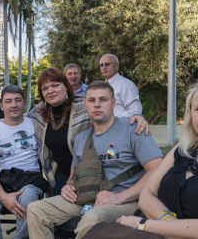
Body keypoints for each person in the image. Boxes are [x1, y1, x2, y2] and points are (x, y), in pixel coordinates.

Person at [27, 81, 163, 239]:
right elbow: (73, 177)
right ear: (85, 104)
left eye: (103, 100)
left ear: (113, 103)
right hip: (86, 198)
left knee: (92, 219)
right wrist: (68, 187)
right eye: (91, 100)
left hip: (125, 201)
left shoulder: (133, 130)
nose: (97, 105)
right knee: (36, 209)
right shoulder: (81, 138)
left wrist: (121, 197)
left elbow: (158, 169)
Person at [26, 67, 149, 196]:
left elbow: (110, 116)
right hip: (63, 173)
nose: (50, 91)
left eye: (55, 85)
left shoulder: (84, 106)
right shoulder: (37, 114)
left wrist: (137, 117)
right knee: (61, 209)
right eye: (45, 88)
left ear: (66, 86)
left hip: (92, 171)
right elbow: (18, 119)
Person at [116, 82, 198, 238]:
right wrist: (170, 225)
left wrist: (143, 225)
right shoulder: (183, 149)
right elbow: (146, 195)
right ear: (190, 114)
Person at [0, 85, 49, 239]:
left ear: (24, 104)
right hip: (4, 181)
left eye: (18, 100)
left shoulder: (36, 126)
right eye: (9, 101)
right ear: (2, 105)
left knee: (28, 195)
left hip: (30, 180)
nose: (14, 105)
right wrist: (3, 196)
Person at [99, 54, 142, 118]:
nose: (104, 68)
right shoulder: (101, 86)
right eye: (101, 65)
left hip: (121, 126)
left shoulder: (126, 84)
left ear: (117, 66)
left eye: (107, 64)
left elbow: (135, 110)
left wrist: (114, 120)